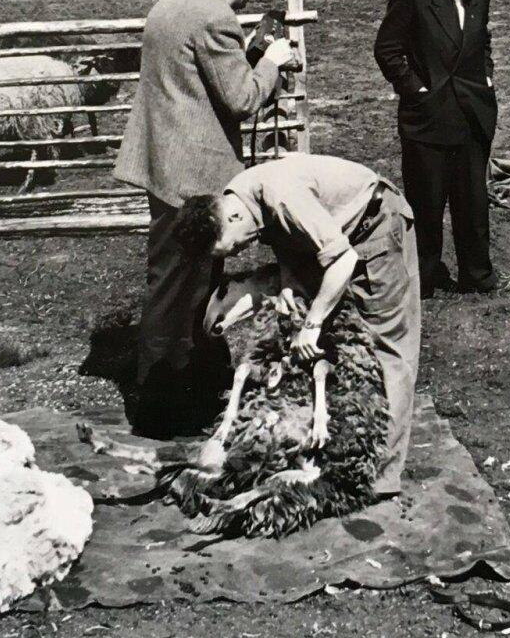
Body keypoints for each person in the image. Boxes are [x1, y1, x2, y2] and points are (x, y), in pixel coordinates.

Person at [112, 0, 295, 435]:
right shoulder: (216, 18)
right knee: (181, 291)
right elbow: (241, 99)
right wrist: (270, 63)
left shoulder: (172, 2)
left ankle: (184, 390)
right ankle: (160, 409)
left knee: (177, 280)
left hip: (163, 163)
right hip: (193, 176)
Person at [176, 152, 420, 493]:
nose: (239, 253)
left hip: (375, 223)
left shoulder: (280, 195)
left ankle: (377, 476)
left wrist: (313, 323)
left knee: (385, 346)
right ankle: (337, 445)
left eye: (232, 248)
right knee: (336, 346)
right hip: (337, 233)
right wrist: (290, 277)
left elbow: (343, 258)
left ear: (231, 217)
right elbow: (281, 233)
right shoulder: (237, 198)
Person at [372, 0, 499, 297]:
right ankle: (424, 277)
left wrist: (486, 76)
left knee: (473, 200)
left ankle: (477, 274)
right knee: (427, 203)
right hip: (428, 116)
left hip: (471, 110)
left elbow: (482, 39)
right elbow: (387, 49)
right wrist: (416, 89)